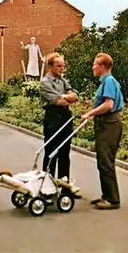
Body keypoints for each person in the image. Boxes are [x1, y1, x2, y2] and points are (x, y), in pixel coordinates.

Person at [81, 53, 124, 210]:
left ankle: (112, 200)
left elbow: (108, 105)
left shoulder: (109, 81)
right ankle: (106, 195)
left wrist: (90, 113)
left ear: (103, 66)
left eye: (95, 64)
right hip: (105, 123)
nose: (93, 67)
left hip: (110, 123)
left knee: (106, 161)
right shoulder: (105, 82)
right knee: (102, 160)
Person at [39, 52, 78, 182]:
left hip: (66, 116)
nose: (62, 69)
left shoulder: (63, 81)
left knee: (64, 152)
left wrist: (65, 97)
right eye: (59, 66)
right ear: (50, 66)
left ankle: (64, 183)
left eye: (63, 66)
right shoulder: (45, 82)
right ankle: (47, 183)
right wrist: (65, 97)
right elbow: (58, 101)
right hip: (53, 117)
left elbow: (74, 96)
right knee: (51, 151)